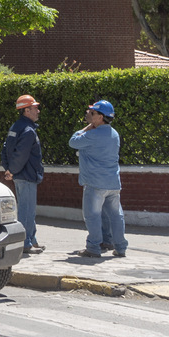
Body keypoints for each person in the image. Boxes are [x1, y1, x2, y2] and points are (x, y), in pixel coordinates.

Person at [68, 99, 126, 258]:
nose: (89, 114)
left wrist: (87, 127)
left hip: (95, 183)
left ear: (100, 117)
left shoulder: (92, 134)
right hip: (113, 183)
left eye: (93, 113)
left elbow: (73, 142)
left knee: (92, 216)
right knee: (116, 215)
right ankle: (120, 247)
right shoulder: (114, 134)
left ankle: (93, 247)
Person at [1, 94, 45, 254]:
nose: (38, 111)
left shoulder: (15, 127)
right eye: (35, 108)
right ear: (27, 110)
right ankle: (25, 243)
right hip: (26, 175)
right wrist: (11, 170)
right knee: (27, 210)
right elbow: (21, 154)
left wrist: (8, 169)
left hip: (19, 174)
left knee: (28, 209)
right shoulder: (28, 131)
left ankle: (32, 239)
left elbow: (5, 149)